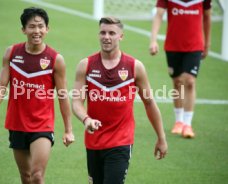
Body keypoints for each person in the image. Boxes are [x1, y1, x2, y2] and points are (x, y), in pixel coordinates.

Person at [72, 17, 168, 184]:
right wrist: (86, 119)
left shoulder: (134, 66)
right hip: (94, 141)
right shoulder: (85, 65)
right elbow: (77, 102)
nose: (106, 37)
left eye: (112, 33)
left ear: (121, 36)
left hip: (121, 141)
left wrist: (161, 137)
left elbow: (149, 103)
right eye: (103, 32)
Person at [0, 7, 74, 184]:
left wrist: (68, 129)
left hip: (42, 124)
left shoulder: (55, 59)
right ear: (23, 30)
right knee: (25, 177)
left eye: (41, 26)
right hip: (16, 123)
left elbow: (63, 95)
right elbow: (2, 84)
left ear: (47, 29)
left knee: (37, 175)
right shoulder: (11, 53)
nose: (37, 31)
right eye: (32, 27)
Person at [149, 0, 211, 138]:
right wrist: (153, 40)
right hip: (173, 45)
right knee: (177, 82)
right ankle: (179, 121)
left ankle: (188, 124)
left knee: (189, 81)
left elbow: (207, 17)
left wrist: (207, 43)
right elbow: (159, 14)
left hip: (195, 46)